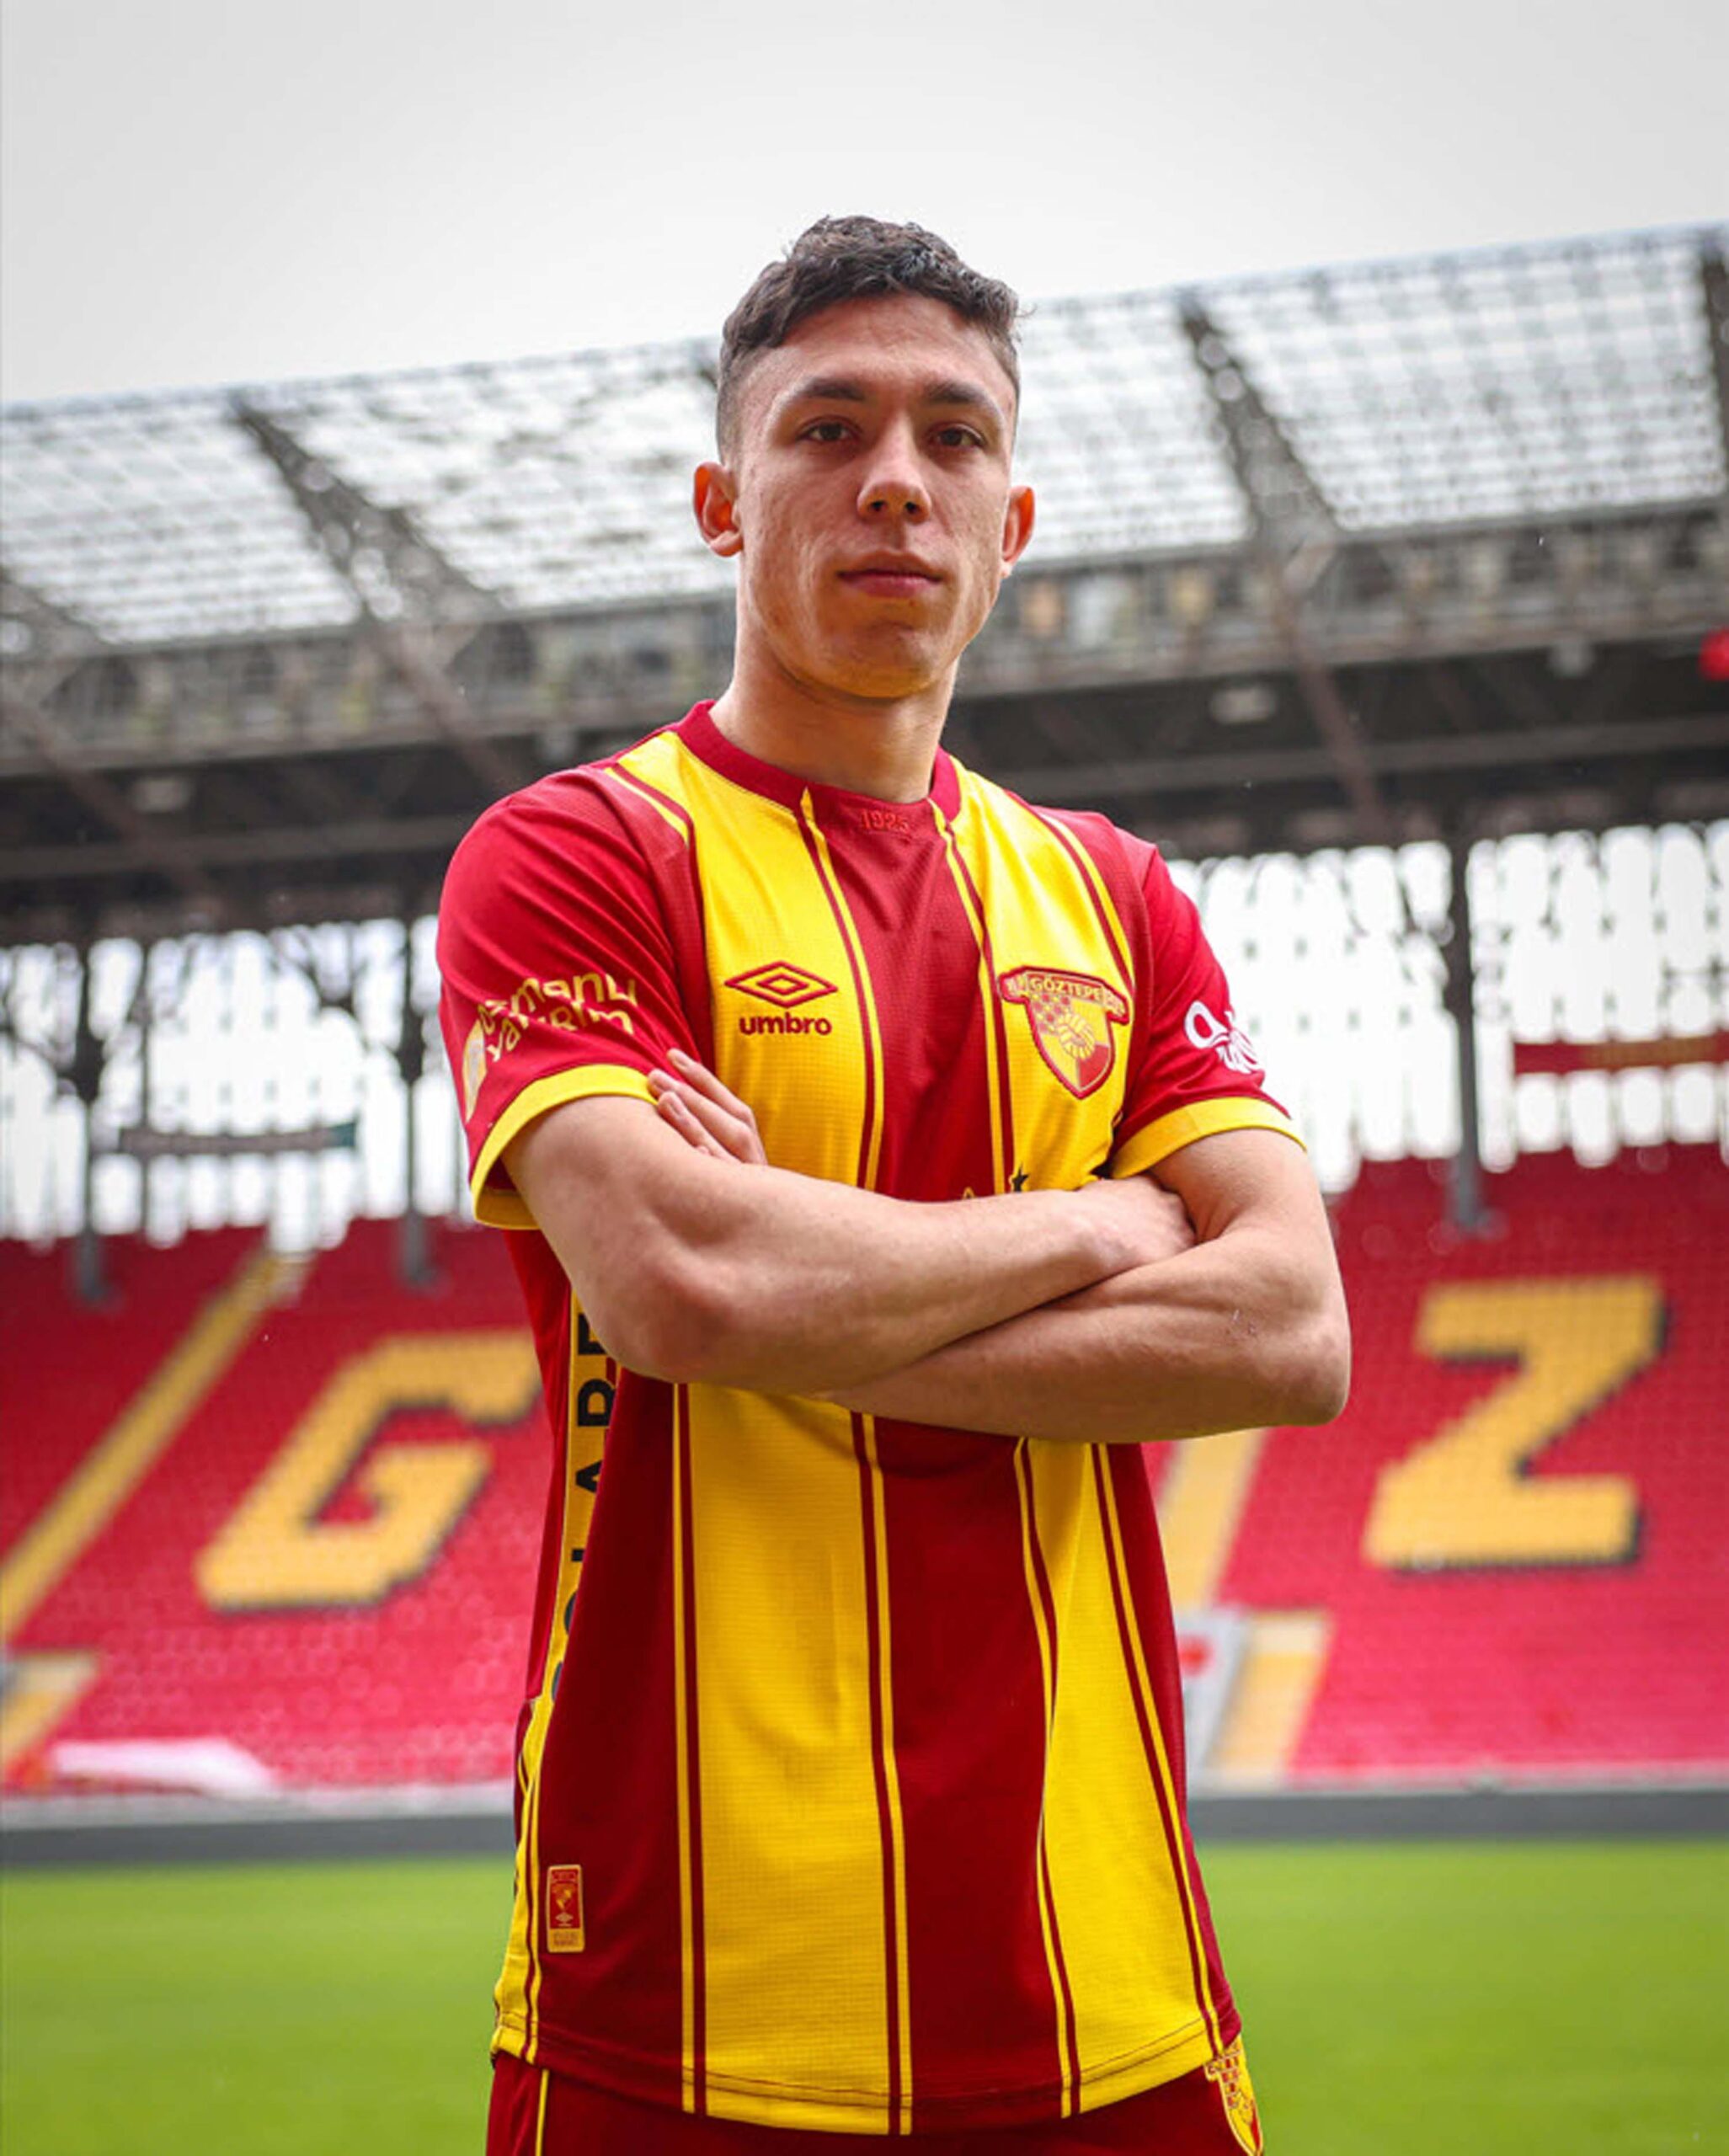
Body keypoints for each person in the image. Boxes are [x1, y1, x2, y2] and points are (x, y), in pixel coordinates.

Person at [438, 216, 1349, 2154]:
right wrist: (1099, 1224)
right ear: (720, 500)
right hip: (686, 1980)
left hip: (1107, 1981)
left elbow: (1289, 1326)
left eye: (952, 435)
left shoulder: (1113, 896)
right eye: (827, 427)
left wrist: (797, 1288)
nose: (893, 481)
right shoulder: (574, 855)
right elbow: (680, 1288)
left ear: (1010, 522)